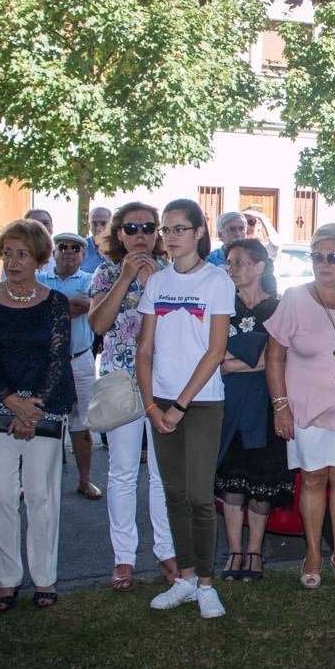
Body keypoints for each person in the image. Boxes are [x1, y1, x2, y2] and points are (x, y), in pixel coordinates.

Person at [0, 219, 74, 611]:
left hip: (45, 406)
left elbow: (58, 359)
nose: (13, 261)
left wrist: (32, 408)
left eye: (21, 253)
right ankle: (6, 581)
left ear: (39, 257)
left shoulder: (56, 303)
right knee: (1, 496)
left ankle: (45, 579)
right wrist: (12, 403)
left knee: (42, 496)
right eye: (7, 253)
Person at [137, 199, 236, 618]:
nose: (171, 237)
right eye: (166, 229)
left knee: (198, 496)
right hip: (159, 403)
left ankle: (208, 585)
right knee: (173, 495)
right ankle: (185, 578)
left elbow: (216, 352)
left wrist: (179, 405)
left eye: (180, 229)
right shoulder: (156, 282)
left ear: (199, 232)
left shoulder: (217, 281)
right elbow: (144, 350)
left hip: (201, 402)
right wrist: (151, 406)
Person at [266, 223, 335, 589]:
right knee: (313, 479)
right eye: (317, 256)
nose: (324, 264)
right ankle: (313, 554)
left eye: (333, 257)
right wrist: (280, 406)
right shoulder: (294, 298)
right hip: (307, 408)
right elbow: (274, 357)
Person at [88, 202, 177, 592]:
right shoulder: (105, 272)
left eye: (148, 226)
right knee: (122, 473)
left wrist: (158, 282)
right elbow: (98, 324)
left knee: (162, 474)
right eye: (130, 227)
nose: (140, 234)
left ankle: (166, 551)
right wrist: (125, 278)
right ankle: (123, 559)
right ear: (118, 234)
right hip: (122, 384)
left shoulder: (173, 273)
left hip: (164, 383)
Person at [215, 238, 293, 581]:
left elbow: (280, 357)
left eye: (239, 262)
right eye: (229, 262)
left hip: (267, 402)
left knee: (261, 480)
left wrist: (233, 364)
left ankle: (255, 552)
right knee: (232, 478)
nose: (231, 269)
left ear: (259, 266)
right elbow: (211, 355)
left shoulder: (279, 308)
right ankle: (234, 551)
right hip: (227, 403)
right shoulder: (222, 307)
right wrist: (236, 364)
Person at [37, 232, 102, 501]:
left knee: (81, 424)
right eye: (62, 247)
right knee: (42, 422)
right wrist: (70, 304)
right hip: (44, 362)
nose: (68, 252)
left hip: (80, 360)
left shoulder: (90, 280)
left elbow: (92, 305)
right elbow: (34, 307)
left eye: (75, 249)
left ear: (82, 255)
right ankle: (39, 483)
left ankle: (85, 481)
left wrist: (53, 303)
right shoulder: (39, 279)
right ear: (54, 252)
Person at [82, 206, 111, 273]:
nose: (99, 228)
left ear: (111, 225)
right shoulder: (79, 247)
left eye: (103, 223)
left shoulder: (121, 247)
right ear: (89, 226)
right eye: (94, 224)